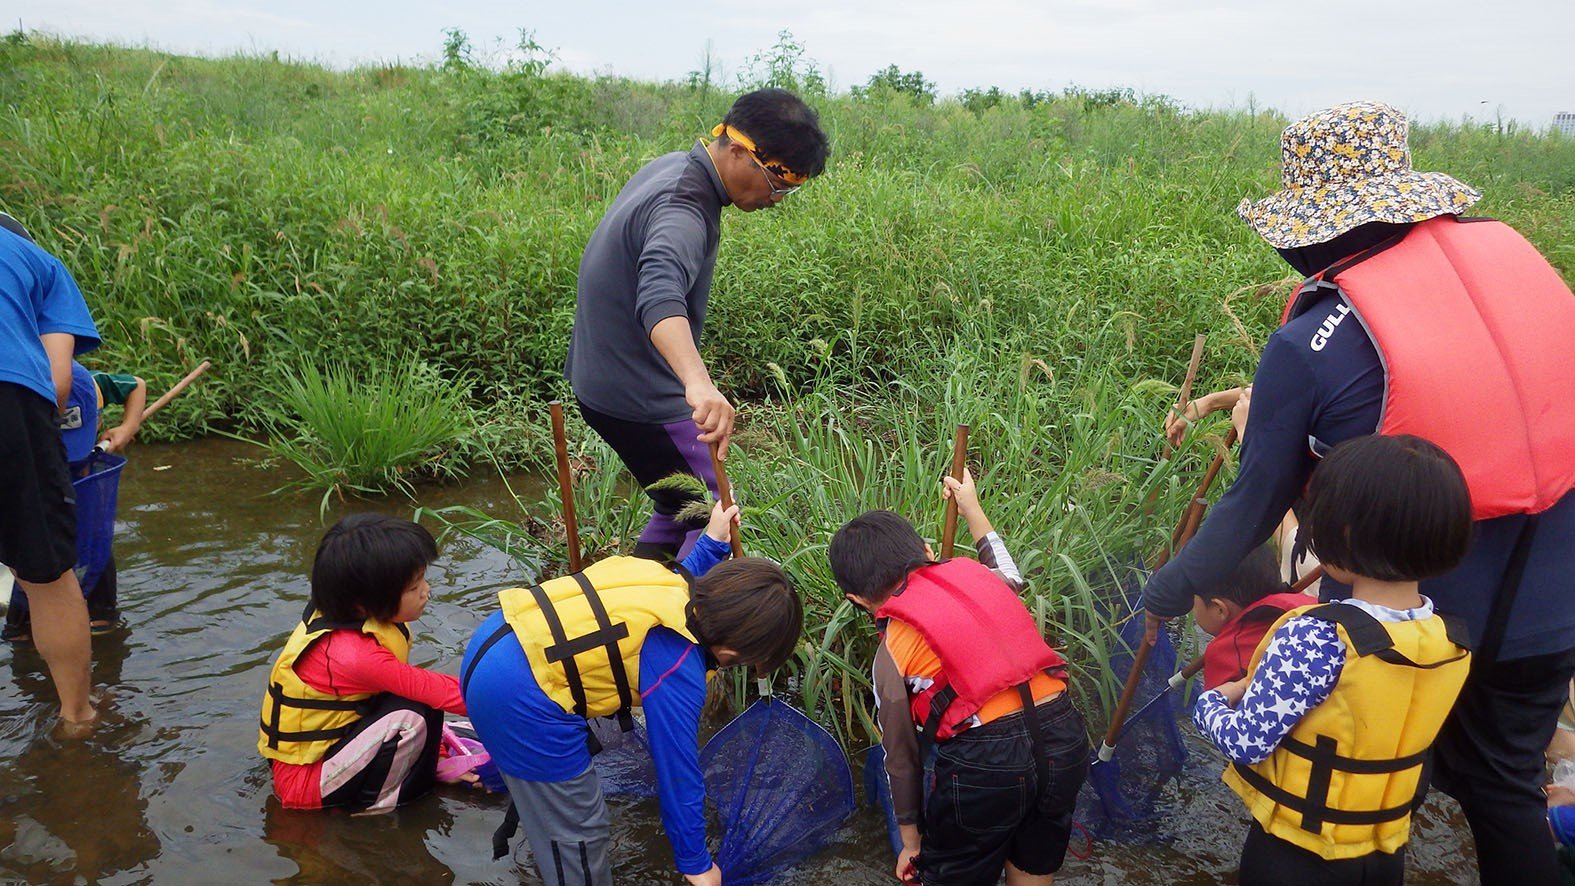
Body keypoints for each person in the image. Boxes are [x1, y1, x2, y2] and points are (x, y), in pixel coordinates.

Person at [1141, 100, 1575, 884]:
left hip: (1397, 616)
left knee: (1371, 780)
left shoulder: (1312, 333)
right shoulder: (1510, 264)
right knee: (1503, 790)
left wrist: (1169, 586)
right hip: (1552, 599)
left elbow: (1251, 505)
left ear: (1316, 228)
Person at [459, 499, 802, 886]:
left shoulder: (669, 579)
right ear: (732, 652)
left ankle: (489, 775)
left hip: (498, 638)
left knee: (536, 758)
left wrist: (713, 541)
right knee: (582, 830)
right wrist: (697, 865)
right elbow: (678, 771)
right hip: (519, 695)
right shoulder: (678, 666)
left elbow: (689, 578)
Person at [564, 88, 830, 561]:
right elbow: (660, 298)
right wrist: (699, 385)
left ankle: (636, 596)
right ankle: (683, 623)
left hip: (597, 382)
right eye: (778, 184)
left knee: (676, 503)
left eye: (789, 190)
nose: (777, 199)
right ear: (738, 151)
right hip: (636, 394)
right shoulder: (683, 207)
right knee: (717, 512)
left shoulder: (673, 166)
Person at [1195, 434, 1473, 884]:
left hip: (1296, 855)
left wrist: (1212, 702)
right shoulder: (1446, 636)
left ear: (1345, 533)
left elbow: (1245, 742)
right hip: (1384, 852)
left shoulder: (1317, 635)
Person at [830, 469, 1090, 886]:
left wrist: (912, 843)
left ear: (856, 599)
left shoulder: (891, 650)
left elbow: (901, 758)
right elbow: (1010, 572)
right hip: (1065, 736)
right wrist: (971, 508)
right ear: (929, 551)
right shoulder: (980, 577)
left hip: (988, 763)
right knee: (1034, 867)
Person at [257, 514, 466, 814]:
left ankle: (419, 770)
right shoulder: (352, 655)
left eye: (422, 579)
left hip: (321, 753)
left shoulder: (345, 611)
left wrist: (440, 753)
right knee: (411, 716)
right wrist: (535, 701)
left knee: (419, 703)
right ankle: (379, 812)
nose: (426, 590)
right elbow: (441, 693)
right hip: (305, 785)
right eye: (412, 588)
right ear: (363, 603)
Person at [0, 208, 101, 731]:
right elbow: (60, 380)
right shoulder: (36, 260)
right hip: (10, 395)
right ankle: (77, 715)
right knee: (47, 577)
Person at [4, 359, 146, 642]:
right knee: (31, 547)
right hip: (35, 474)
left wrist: (127, 427)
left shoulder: (93, 383)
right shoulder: (15, 394)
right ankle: (22, 627)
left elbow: (137, 385)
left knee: (93, 537)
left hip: (82, 474)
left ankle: (100, 616)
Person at [1192, 543, 1316, 690]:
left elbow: (1213, 707)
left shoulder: (1226, 653)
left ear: (1220, 610)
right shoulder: (1303, 608)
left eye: (1192, 598)